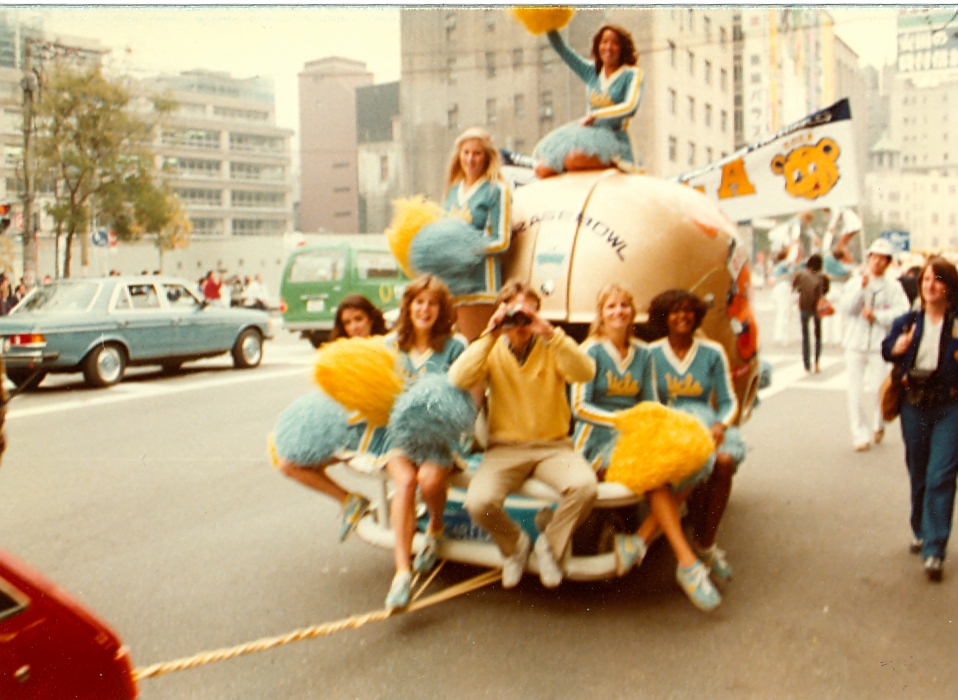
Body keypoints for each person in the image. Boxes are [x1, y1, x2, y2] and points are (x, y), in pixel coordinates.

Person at [571, 284, 720, 611]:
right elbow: (580, 407)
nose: (619, 311)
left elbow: (652, 401)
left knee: (693, 463)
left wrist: (660, 427)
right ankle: (687, 564)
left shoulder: (643, 353)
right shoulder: (590, 352)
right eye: (611, 306)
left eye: (625, 305)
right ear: (601, 314)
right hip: (597, 438)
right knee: (653, 474)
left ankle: (636, 542)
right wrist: (624, 420)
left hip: (635, 433)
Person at [448, 280, 598, 590]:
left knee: (584, 487)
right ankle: (514, 545)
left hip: (554, 446)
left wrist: (550, 332)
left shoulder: (552, 345)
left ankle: (549, 546)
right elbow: (458, 378)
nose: (521, 320)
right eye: (514, 311)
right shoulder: (490, 349)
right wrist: (490, 334)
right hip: (505, 448)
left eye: (527, 311)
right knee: (479, 502)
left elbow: (585, 372)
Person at [382, 275, 468, 610]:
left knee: (429, 482)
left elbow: (463, 399)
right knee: (405, 483)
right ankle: (401, 573)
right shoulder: (392, 346)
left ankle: (435, 525)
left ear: (441, 309)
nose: (425, 309)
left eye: (432, 303)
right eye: (419, 302)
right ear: (408, 306)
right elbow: (383, 396)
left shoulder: (455, 346)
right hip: (399, 436)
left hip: (437, 436)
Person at [275, 298, 391, 548]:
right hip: (345, 427)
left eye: (359, 319)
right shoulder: (340, 353)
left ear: (371, 319)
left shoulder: (389, 346)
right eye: (347, 322)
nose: (354, 327)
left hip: (376, 430)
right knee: (287, 463)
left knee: (290, 463)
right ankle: (349, 500)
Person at [647, 289, 745, 584]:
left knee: (724, 461)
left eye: (689, 310)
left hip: (705, 422)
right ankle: (694, 549)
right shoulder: (650, 354)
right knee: (695, 468)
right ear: (664, 317)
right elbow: (650, 402)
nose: (683, 316)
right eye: (675, 311)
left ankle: (705, 545)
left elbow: (728, 401)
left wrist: (721, 425)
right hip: (670, 425)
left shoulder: (712, 351)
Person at [882, 257, 958, 582]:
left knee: (941, 474)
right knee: (919, 471)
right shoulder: (908, 321)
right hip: (914, 404)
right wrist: (895, 347)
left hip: (949, 407)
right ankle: (920, 528)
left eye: (938, 280)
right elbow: (887, 348)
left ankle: (934, 549)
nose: (930, 285)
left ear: (949, 288)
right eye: (926, 279)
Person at [839, 238, 910, 452]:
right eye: (874, 257)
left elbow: (902, 312)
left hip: (879, 345)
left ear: (887, 262)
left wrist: (878, 316)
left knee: (879, 389)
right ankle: (859, 433)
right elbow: (846, 308)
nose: (877, 262)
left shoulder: (893, 287)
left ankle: (879, 423)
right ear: (868, 258)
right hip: (855, 343)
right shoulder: (855, 281)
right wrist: (860, 290)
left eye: (882, 259)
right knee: (855, 391)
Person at [442, 127, 512, 341]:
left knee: (475, 349)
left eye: (477, 153)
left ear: (487, 157)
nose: (470, 159)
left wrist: (467, 248)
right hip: (452, 285)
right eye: (466, 153)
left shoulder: (496, 190)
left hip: (481, 287)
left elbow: (502, 241)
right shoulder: (452, 191)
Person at [792, 254, 829, 372]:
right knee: (818, 335)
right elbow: (826, 290)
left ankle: (806, 364)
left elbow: (794, 287)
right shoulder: (823, 276)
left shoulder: (801, 274)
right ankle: (817, 362)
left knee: (805, 336)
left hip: (803, 306)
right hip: (817, 307)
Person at [822, 245, 853, 346]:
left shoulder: (827, 260)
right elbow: (847, 273)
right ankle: (837, 338)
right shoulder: (841, 266)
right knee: (838, 315)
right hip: (838, 289)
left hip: (827, 289)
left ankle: (825, 338)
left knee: (826, 314)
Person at [770, 249, 796, 346]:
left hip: (776, 288)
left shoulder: (777, 266)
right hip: (784, 287)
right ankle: (785, 338)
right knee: (785, 312)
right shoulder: (787, 264)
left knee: (779, 313)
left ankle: (778, 336)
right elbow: (791, 273)